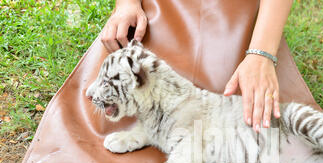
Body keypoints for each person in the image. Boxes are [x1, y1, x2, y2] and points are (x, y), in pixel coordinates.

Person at [101, 0, 294, 133]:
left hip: (231, 16)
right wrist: (127, 4)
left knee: (229, 104)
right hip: (162, 10)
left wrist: (261, 54)